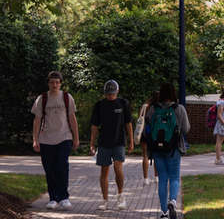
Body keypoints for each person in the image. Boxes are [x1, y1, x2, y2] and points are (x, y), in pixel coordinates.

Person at [31, 71, 80, 210]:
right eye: (52, 82)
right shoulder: (42, 99)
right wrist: (35, 139)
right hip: (46, 139)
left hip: (64, 137)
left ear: (60, 83)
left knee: (62, 166)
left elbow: (72, 118)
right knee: (50, 169)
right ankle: (53, 198)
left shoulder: (66, 97)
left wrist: (76, 137)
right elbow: (37, 120)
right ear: (48, 83)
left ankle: (64, 197)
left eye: (57, 82)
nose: (54, 85)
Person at [147, 82, 189, 219]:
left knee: (163, 179)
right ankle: (173, 201)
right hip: (174, 148)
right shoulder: (179, 108)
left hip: (157, 149)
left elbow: (148, 127)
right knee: (174, 177)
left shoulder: (153, 109)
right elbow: (185, 129)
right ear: (173, 93)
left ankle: (164, 211)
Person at [89, 80, 133, 211]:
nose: (110, 96)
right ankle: (105, 200)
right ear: (105, 93)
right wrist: (92, 144)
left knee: (118, 169)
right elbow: (95, 126)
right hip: (104, 142)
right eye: (108, 94)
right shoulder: (99, 105)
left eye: (113, 94)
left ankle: (120, 195)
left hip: (119, 141)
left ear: (117, 92)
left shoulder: (123, 103)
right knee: (104, 171)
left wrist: (131, 141)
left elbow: (128, 123)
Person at [138, 91, 160, 185]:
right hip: (156, 134)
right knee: (156, 156)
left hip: (144, 133)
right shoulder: (159, 108)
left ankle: (145, 178)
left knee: (145, 156)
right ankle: (156, 177)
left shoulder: (145, 107)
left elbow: (140, 118)